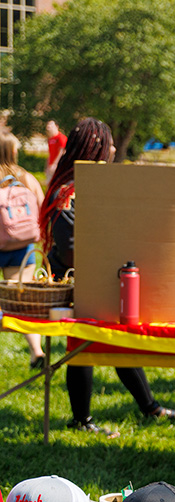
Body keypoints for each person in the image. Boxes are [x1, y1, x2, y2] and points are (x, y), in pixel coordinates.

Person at [38, 117, 175, 437]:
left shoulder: (86, 186)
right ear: (93, 149)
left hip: (98, 275)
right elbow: (70, 249)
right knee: (81, 348)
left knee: (117, 343)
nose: (111, 148)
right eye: (105, 143)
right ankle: (82, 419)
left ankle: (149, 407)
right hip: (78, 280)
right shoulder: (71, 191)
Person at [0, 132, 47, 368]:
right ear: (14, 151)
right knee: (20, 299)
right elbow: (41, 205)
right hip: (22, 246)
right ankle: (36, 350)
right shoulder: (26, 177)